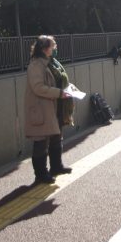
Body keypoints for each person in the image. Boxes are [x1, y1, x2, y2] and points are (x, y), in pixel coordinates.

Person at [24, 35, 74, 184]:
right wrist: (59, 93)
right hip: (42, 108)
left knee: (56, 137)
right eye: (53, 46)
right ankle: (41, 174)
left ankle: (56, 166)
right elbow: (38, 87)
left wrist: (66, 91)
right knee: (41, 141)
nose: (55, 48)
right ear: (45, 48)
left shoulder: (52, 62)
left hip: (55, 106)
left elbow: (59, 80)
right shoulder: (36, 65)